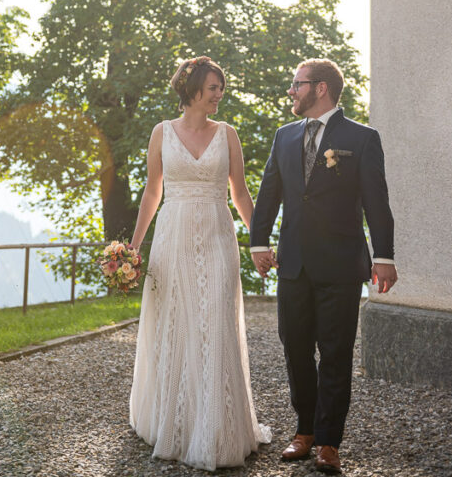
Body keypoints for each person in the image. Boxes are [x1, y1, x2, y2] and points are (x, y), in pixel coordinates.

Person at [250, 58, 396, 475]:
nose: (291, 90)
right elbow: (269, 193)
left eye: (297, 84)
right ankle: (305, 430)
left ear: (320, 88)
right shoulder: (284, 135)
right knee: (295, 347)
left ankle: (329, 442)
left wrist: (384, 256)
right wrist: (259, 243)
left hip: (341, 266)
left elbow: (377, 202)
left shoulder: (362, 138)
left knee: (335, 353)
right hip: (293, 264)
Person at [129, 56, 272, 471]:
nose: (219, 95)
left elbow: (240, 193)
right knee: (176, 323)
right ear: (191, 90)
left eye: (220, 89)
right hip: (172, 238)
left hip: (217, 236)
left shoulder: (228, 134)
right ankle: (175, 424)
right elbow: (152, 192)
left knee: (215, 321)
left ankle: (217, 430)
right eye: (213, 88)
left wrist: (259, 241)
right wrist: (134, 247)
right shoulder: (161, 132)